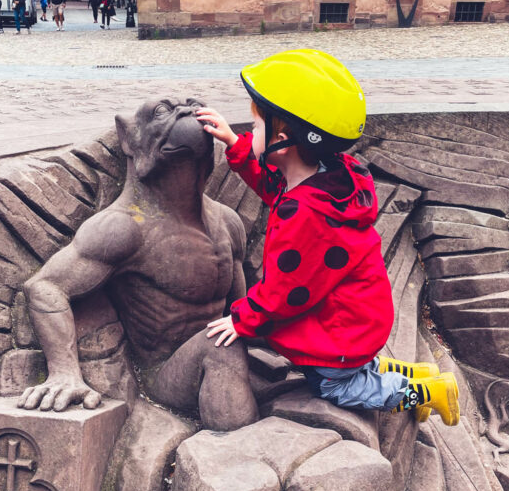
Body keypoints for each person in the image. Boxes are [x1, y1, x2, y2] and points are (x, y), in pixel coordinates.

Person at [196, 49, 460, 425]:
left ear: (282, 141)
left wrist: (242, 319)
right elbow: (275, 187)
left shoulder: (305, 213)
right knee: (353, 366)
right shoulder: (327, 178)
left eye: (254, 128)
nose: (249, 132)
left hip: (338, 329)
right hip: (355, 313)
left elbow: (284, 291)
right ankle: (414, 373)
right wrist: (236, 146)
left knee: (335, 386)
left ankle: (428, 393)